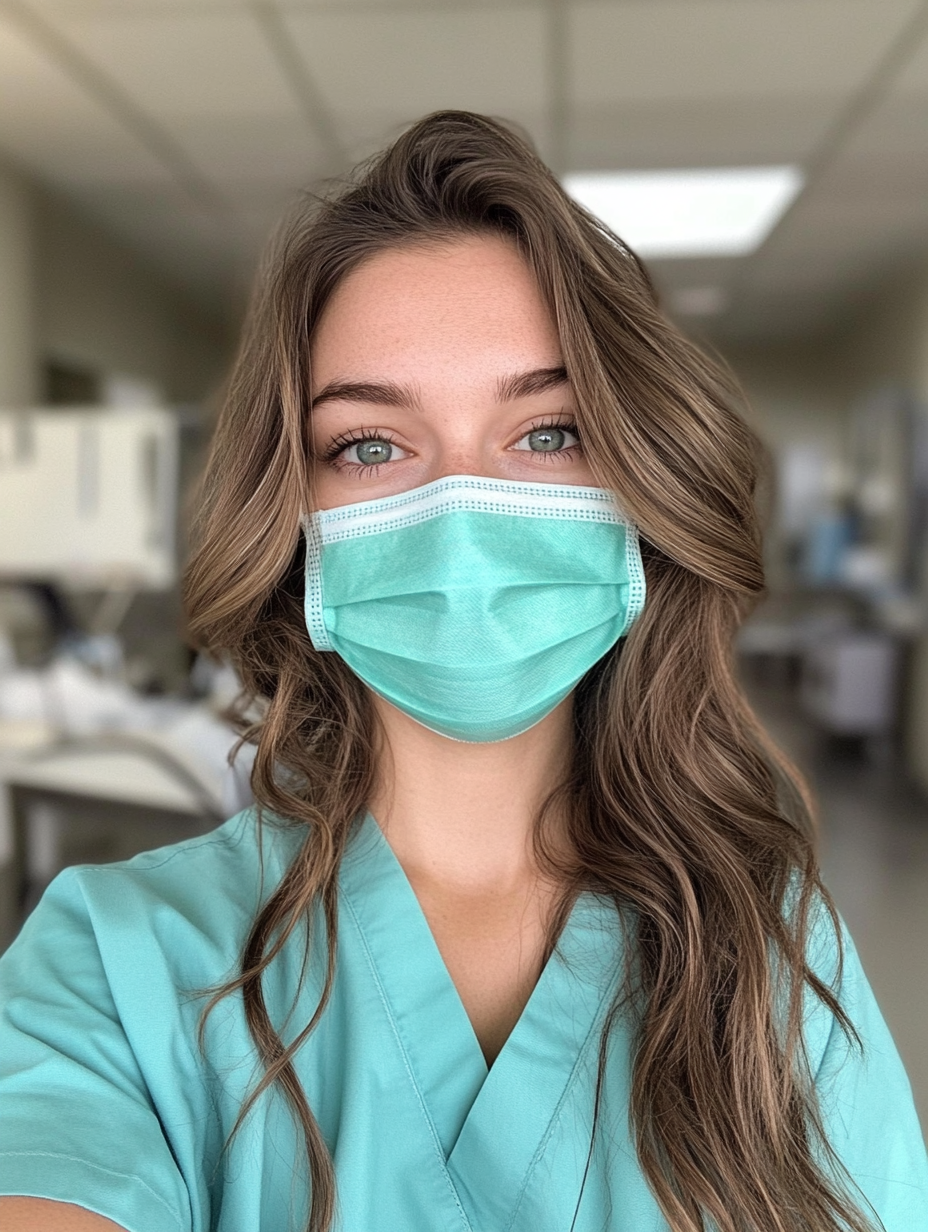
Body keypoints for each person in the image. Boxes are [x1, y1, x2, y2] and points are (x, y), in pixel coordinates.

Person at [1, 110, 926, 1232]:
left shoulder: (772, 950)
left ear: (642, 486)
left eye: (547, 432)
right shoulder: (116, 958)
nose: (461, 513)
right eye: (370, 445)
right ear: (289, 515)